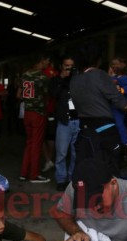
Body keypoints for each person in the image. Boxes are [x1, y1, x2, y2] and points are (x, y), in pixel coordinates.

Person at [69, 41, 127, 175]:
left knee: (87, 172)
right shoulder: (100, 75)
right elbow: (123, 105)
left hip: (84, 130)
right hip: (105, 131)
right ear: (98, 59)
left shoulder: (74, 80)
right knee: (109, 172)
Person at [18, 54, 51, 183]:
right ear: (41, 61)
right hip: (38, 113)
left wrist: (29, 101)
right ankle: (34, 175)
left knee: (29, 143)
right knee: (36, 145)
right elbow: (47, 94)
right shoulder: (42, 76)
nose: (47, 63)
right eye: (46, 61)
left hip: (27, 113)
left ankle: (23, 173)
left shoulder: (25, 75)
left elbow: (19, 94)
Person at [49, 55, 80, 192]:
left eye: (70, 65)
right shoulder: (55, 80)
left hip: (78, 120)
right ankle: (61, 179)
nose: (68, 68)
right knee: (61, 153)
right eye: (66, 65)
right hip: (64, 121)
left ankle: (72, 178)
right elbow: (53, 94)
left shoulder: (78, 79)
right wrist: (62, 78)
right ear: (62, 66)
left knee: (76, 153)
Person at [109, 56, 127, 147]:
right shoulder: (113, 77)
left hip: (119, 105)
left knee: (119, 123)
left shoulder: (125, 78)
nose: (113, 66)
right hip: (112, 105)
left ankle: (125, 140)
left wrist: (121, 90)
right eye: (112, 64)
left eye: (116, 64)